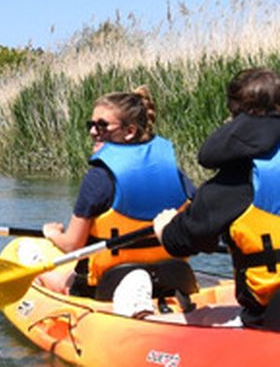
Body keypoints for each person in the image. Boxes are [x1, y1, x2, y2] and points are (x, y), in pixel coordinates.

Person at [32, 86, 193, 315]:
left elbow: (72, 245)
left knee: (35, 266)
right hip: (173, 276)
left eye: (102, 125)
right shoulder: (173, 171)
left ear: (129, 131)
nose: (93, 132)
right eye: (91, 125)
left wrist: (52, 233)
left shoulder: (99, 177)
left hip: (107, 284)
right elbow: (198, 221)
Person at [154, 67, 280, 331]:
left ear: (236, 118)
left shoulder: (241, 175)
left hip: (269, 320)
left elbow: (183, 240)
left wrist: (164, 228)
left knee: (191, 319)